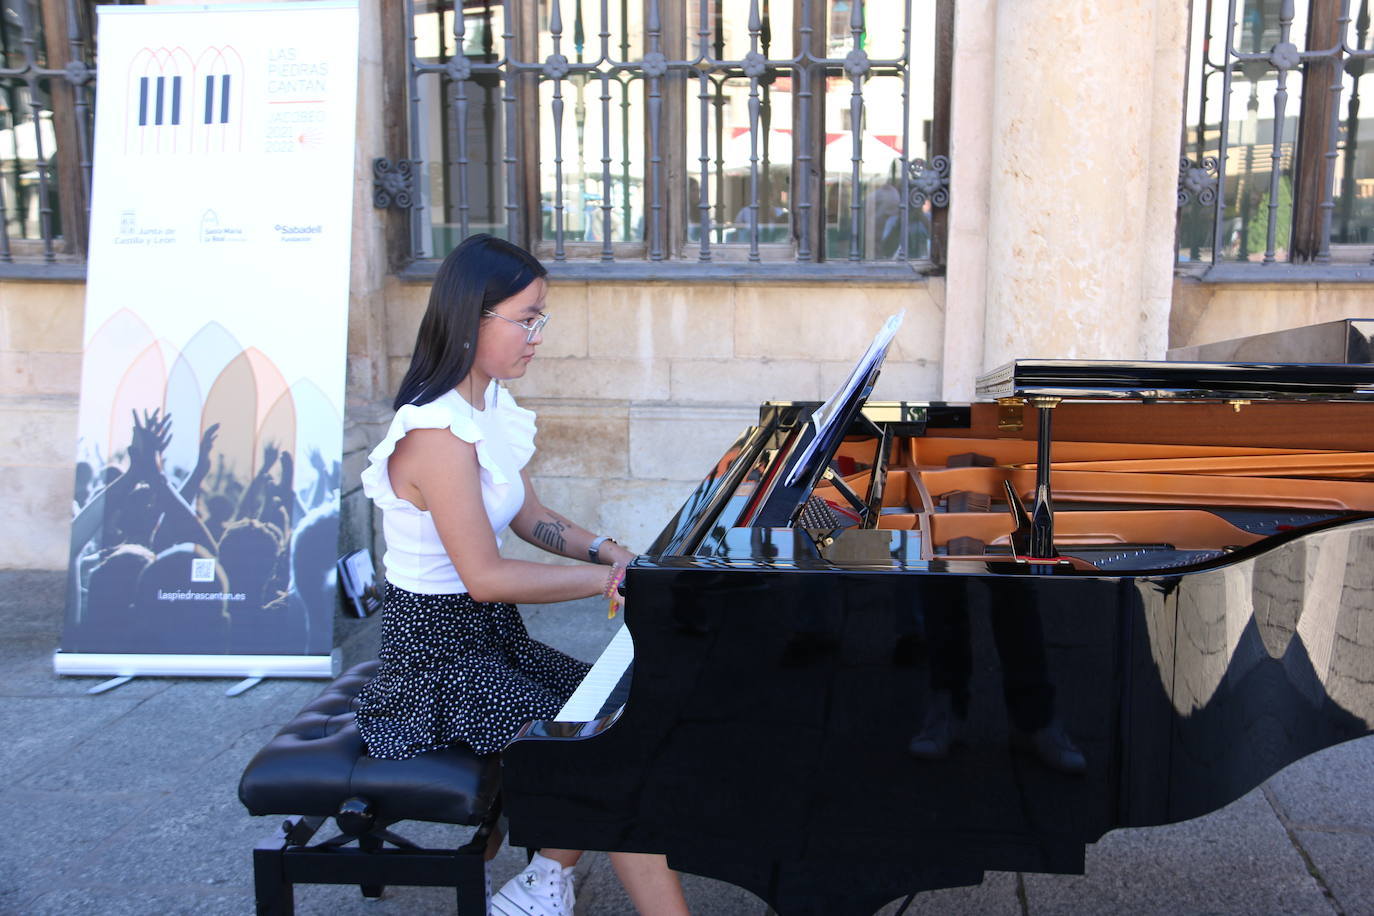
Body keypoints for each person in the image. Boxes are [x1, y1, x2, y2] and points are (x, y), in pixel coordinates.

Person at [353, 233, 689, 916]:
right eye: (527, 317)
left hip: (489, 642)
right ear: (473, 318)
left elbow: (528, 515)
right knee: (605, 756)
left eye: (542, 318)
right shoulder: (437, 434)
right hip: (434, 663)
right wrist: (608, 586)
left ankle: (544, 877)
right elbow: (486, 576)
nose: (538, 335)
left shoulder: (490, 409)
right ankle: (548, 883)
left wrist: (613, 553)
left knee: (628, 720)